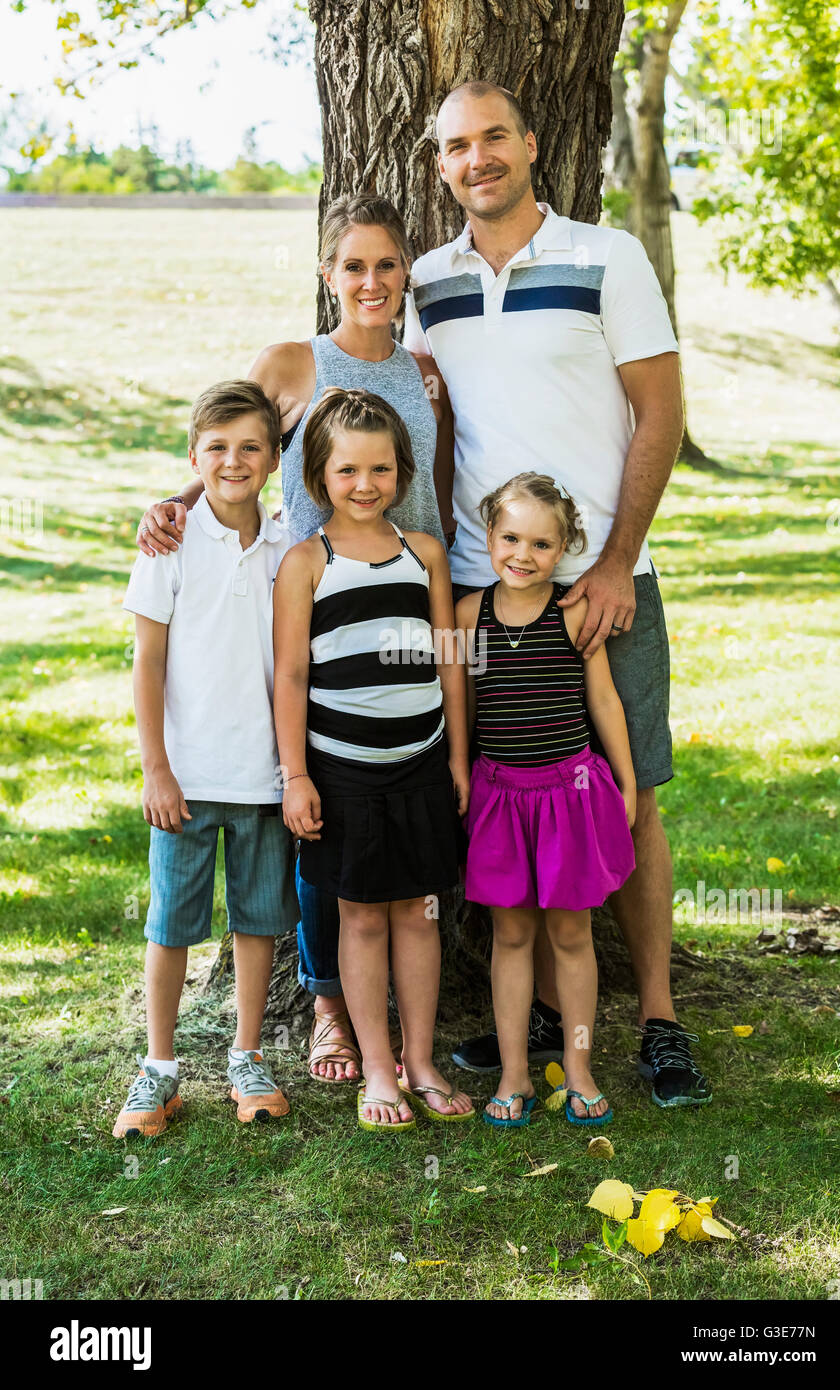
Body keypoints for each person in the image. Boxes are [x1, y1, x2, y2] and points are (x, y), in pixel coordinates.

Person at [404, 80, 712, 1108]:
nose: (477, 156)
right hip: (479, 597)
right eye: (457, 145)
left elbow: (659, 413)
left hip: (599, 585)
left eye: (494, 136)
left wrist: (617, 559)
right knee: (504, 790)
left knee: (627, 800)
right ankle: (532, 1011)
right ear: (440, 164)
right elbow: (409, 431)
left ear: (531, 146)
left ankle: (659, 1018)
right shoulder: (426, 283)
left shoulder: (605, 255)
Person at [133, 194, 457, 1087]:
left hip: (405, 597)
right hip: (311, 608)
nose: (371, 282)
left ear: (405, 273)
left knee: (402, 817)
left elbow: (439, 481)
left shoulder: (425, 372)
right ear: (328, 275)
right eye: (352, 266)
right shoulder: (292, 361)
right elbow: (236, 451)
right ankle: (328, 1009)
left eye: (386, 265)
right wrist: (176, 504)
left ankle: (410, 1031)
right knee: (320, 815)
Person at [273, 386, 474, 1130]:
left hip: (421, 761)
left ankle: (421, 1060)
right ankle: (380, 1071)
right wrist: (296, 775)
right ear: (319, 475)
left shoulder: (425, 554)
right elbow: (291, 675)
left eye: (381, 470)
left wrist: (457, 757)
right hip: (342, 771)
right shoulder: (306, 563)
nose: (365, 485)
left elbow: (451, 660)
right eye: (349, 470)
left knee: (421, 914)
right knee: (359, 919)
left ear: (403, 472)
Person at [113, 381, 299, 1139]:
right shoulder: (171, 542)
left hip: (264, 778)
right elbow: (147, 663)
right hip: (183, 783)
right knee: (172, 927)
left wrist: (294, 768)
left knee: (256, 922)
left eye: (251, 446)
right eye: (217, 448)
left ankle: (247, 1054)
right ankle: (159, 1067)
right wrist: (156, 768)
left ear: (274, 458)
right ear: (193, 458)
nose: (233, 461)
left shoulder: (290, 547)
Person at [456, 474, 636, 1127]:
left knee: (570, 931)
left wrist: (629, 783)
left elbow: (605, 700)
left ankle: (580, 1068)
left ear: (563, 549)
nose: (522, 554)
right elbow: (462, 706)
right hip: (500, 796)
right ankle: (513, 1074)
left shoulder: (574, 612)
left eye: (541, 542)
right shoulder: (465, 613)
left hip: (571, 794)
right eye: (510, 538)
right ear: (489, 537)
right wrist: (460, 772)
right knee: (510, 935)